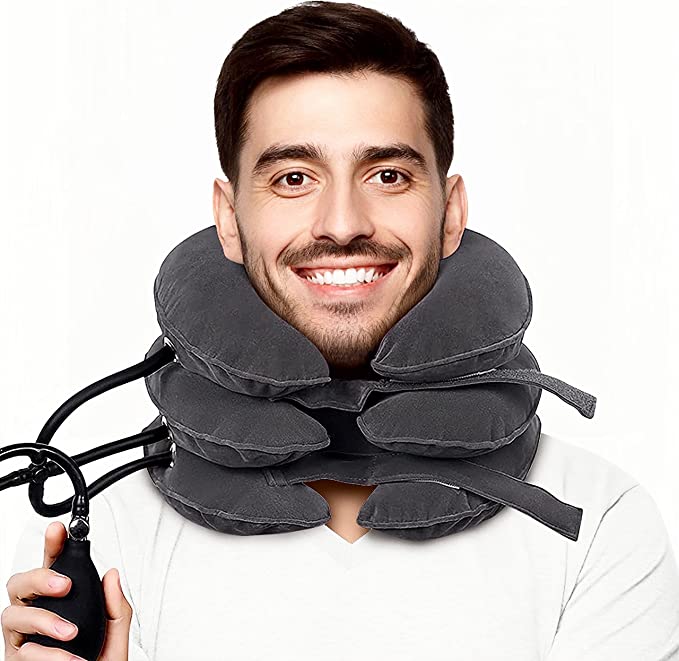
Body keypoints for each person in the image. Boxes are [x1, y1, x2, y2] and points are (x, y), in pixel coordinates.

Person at [4, 2, 679, 659]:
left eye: (387, 175)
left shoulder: (596, 520)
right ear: (228, 220)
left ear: (451, 212)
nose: (342, 223)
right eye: (293, 178)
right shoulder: (107, 537)